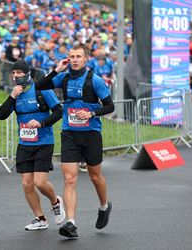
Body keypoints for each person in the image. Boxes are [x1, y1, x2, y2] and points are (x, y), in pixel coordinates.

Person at [35, 44, 115, 238]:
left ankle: (104, 205)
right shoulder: (64, 77)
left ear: (86, 60)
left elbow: (110, 106)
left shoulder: (95, 81)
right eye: (72, 56)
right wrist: (56, 70)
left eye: (79, 56)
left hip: (91, 135)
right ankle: (71, 223)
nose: (75, 59)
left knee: (95, 176)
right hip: (69, 133)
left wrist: (91, 113)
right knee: (70, 179)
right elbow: (40, 85)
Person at [0, 60, 66, 230]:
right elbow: (1, 115)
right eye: (13, 73)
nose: (15, 76)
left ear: (27, 74)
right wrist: (12, 96)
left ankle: (56, 202)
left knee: (40, 183)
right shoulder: (16, 93)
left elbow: (58, 111)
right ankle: (40, 219)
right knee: (27, 184)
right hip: (24, 143)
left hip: (43, 142)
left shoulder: (41, 89)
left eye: (19, 73)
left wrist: (42, 123)